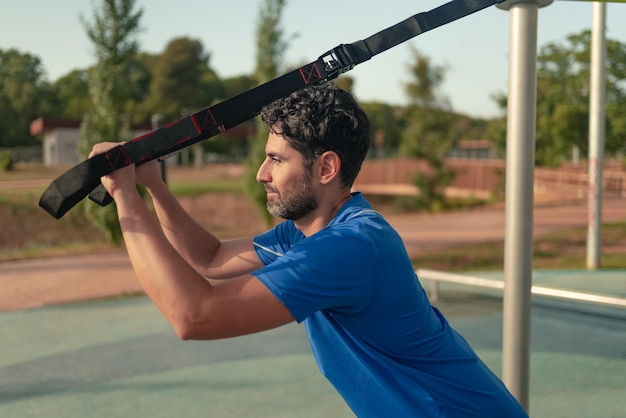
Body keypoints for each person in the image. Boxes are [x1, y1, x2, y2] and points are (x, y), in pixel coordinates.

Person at [90, 84, 528, 417]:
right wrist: (151, 186)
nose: (262, 173)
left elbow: (194, 316)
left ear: (326, 167)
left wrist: (125, 197)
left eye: (277, 160)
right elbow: (210, 258)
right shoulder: (305, 233)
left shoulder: (350, 246)